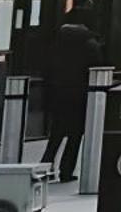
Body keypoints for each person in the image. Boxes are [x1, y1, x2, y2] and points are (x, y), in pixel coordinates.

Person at [41, 9, 104, 182]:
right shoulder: (89, 43)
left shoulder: (58, 42)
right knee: (75, 134)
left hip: (59, 92)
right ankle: (66, 170)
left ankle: (45, 166)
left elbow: (47, 66)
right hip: (79, 94)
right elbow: (97, 66)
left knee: (56, 133)